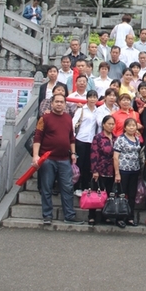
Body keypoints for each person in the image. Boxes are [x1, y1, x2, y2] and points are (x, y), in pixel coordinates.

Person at [32, 94, 83, 225]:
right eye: (57, 102)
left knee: (67, 187)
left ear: (65, 104)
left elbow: (71, 138)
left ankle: (69, 216)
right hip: (47, 159)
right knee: (47, 188)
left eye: (61, 102)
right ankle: (47, 216)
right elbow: (37, 137)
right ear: (52, 103)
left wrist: (73, 153)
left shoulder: (68, 118)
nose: (59, 104)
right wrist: (36, 156)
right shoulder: (44, 118)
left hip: (64, 159)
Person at [89, 114, 117, 225]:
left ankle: (105, 216)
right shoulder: (98, 137)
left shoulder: (115, 138)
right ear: (103, 124)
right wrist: (95, 170)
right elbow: (94, 154)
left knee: (108, 194)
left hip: (112, 169)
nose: (111, 126)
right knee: (96, 193)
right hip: (100, 168)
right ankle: (92, 216)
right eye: (109, 124)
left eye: (113, 124)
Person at [113, 117, 141, 228]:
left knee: (132, 195)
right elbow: (115, 157)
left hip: (135, 170)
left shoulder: (137, 139)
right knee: (121, 195)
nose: (131, 128)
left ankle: (130, 217)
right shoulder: (120, 139)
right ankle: (119, 218)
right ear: (125, 127)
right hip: (123, 170)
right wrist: (117, 173)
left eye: (133, 126)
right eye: (129, 126)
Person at [72, 89, 99, 196]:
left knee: (88, 165)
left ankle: (85, 186)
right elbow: (73, 123)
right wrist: (73, 137)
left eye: (94, 97)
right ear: (87, 98)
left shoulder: (98, 111)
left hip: (92, 141)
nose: (92, 99)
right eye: (90, 97)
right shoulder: (81, 110)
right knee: (79, 164)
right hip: (80, 139)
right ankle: (76, 187)